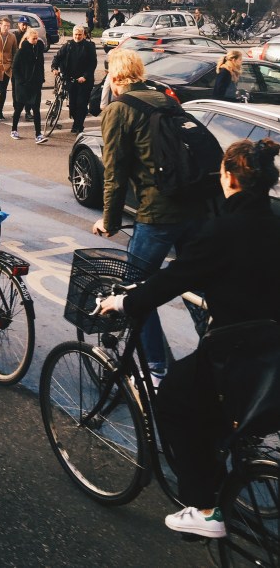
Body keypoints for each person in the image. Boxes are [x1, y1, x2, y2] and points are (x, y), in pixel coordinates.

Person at [99, 137, 280, 540]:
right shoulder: (274, 220)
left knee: (175, 403)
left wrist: (125, 303)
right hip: (272, 346)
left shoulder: (223, 229)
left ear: (229, 177)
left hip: (236, 349)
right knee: (213, 411)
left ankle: (205, 508)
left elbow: (173, 278)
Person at [91, 47, 205, 383]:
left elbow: (114, 173)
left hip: (158, 211)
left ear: (114, 76)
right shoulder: (164, 99)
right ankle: (218, 356)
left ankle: (156, 367)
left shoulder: (119, 109)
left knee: (134, 289)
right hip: (195, 205)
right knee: (196, 286)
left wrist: (109, 221)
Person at [52, 25, 96, 133]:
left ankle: (78, 126)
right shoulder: (68, 45)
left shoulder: (89, 46)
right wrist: (54, 68)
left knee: (81, 103)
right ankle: (77, 121)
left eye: (80, 34)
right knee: (72, 104)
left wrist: (85, 76)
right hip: (70, 79)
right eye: (76, 34)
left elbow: (92, 64)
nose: (77, 36)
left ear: (83, 35)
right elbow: (57, 57)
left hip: (84, 81)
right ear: (73, 35)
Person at [11, 26, 48, 143]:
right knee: (19, 108)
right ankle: (14, 129)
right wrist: (21, 81)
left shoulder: (38, 50)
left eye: (37, 39)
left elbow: (41, 66)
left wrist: (41, 79)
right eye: (34, 39)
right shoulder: (21, 51)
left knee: (36, 109)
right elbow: (15, 68)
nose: (36, 41)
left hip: (35, 84)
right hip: (23, 85)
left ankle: (38, 134)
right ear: (27, 38)